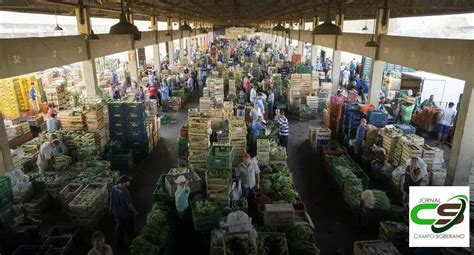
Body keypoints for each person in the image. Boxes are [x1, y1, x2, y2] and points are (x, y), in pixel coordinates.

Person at [110, 175, 137, 245]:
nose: (129, 182)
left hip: (116, 212)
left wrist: (110, 209)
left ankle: (119, 242)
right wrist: (134, 211)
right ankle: (131, 237)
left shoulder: (113, 188)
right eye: (128, 181)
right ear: (124, 182)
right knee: (128, 224)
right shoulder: (125, 191)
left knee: (119, 226)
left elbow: (111, 200)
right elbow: (129, 204)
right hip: (124, 213)